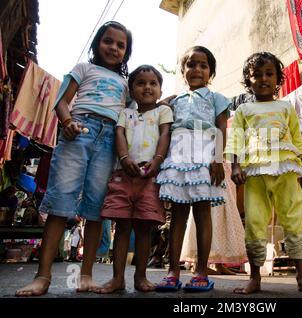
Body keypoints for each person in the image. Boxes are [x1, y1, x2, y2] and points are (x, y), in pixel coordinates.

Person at [15, 21, 133, 296]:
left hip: (108, 142)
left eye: (120, 45)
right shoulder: (83, 68)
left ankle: (86, 276)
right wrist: (67, 122)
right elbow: (61, 100)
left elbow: (130, 117)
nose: (113, 47)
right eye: (108, 41)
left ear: (126, 53)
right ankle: (42, 277)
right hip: (78, 132)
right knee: (60, 202)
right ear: (97, 43)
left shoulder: (125, 85)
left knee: (96, 209)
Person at [225, 52, 302, 295]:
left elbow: (296, 138)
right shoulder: (243, 110)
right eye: (256, 75)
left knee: (293, 219)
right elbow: (236, 140)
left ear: (278, 78)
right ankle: (255, 279)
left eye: (269, 74)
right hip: (255, 173)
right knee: (255, 222)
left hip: (286, 170)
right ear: (247, 81)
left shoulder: (286, 107)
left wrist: (299, 169)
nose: (263, 79)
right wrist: (236, 166)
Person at [155, 46, 229, 292]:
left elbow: (221, 129)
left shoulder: (216, 99)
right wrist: (162, 103)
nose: (197, 69)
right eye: (191, 64)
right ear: (182, 70)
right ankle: (172, 271)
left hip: (205, 155)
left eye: (203, 65)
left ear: (211, 72)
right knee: (177, 216)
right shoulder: (174, 102)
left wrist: (218, 160)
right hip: (178, 153)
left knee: (202, 213)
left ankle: (201, 271)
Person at [96, 65, 172, 293]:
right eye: (140, 83)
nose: (147, 87)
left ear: (160, 90)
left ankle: (140, 276)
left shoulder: (163, 112)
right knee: (121, 228)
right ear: (131, 90)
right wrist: (124, 157)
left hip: (150, 177)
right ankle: (117, 278)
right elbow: (119, 134)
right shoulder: (125, 113)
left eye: (153, 83)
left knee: (143, 229)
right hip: (123, 175)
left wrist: (157, 162)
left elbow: (166, 134)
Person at [180, 163, 247, 275]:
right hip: (211, 163)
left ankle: (219, 263)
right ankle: (198, 263)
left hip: (226, 166)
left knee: (224, 214)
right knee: (208, 212)